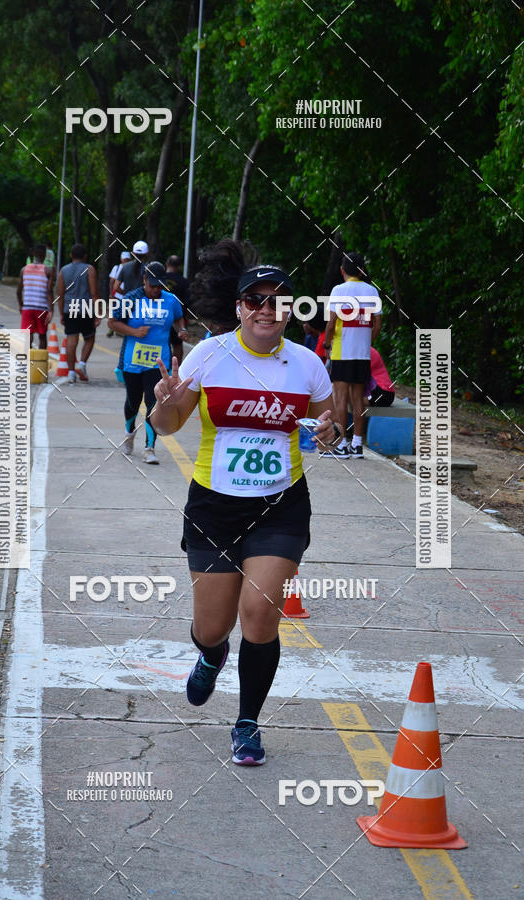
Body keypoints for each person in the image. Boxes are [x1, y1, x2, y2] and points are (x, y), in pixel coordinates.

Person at [150, 253, 337, 765]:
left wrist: (330, 430)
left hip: (280, 506)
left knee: (259, 614)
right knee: (212, 628)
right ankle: (212, 657)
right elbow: (167, 425)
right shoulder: (209, 355)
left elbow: (330, 426)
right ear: (239, 307)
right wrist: (164, 400)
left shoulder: (307, 364)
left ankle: (248, 724)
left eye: (278, 302)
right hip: (214, 507)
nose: (266, 310)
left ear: (291, 310)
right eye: (256, 300)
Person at [107, 261, 187, 465]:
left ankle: (149, 448)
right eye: (152, 285)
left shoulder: (171, 300)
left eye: (159, 285)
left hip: (159, 362)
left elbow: (179, 318)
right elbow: (112, 322)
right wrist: (134, 332)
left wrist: (181, 330)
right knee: (133, 401)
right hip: (132, 361)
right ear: (144, 280)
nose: (156, 289)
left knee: (153, 403)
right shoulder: (131, 298)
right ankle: (129, 433)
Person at [322, 251, 381, 459]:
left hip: (342, 351)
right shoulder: (372, 291)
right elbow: (377, 324)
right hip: (362, 354)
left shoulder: (339, 290)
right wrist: (366, 342)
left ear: (342, 270)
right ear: (362, 270)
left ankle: (340, 445)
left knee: (340, 398)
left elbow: (331, 324)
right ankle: (356, 444)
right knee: (358, 399)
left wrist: (327, 344)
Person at [56, 244, 98, 384]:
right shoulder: (89, 269)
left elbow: (60, 294)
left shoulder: (63, 271)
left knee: (71, 340)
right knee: (89, 338)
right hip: (85, 308)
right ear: (85, 256)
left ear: (71, 255)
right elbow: (94, 293)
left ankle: (71, 373)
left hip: (69, 308)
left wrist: (61, 313)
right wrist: (98, 313)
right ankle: (82, 364)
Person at [17, 244, 53, 349]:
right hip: (42, 308)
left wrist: (21, 305)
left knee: (28, 335)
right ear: (45, 255)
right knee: (42, 335)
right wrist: (51, 310)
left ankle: (27, 357)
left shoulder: (24, 270)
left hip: (27, 307)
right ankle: (41, 358)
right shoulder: (48, 271)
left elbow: (18, 291)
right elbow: (49, 292)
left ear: (33, 254)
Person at [163, 254, 190, 366]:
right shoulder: (184, 281)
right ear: (179, 266)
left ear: (167, 264)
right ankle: (176, 368)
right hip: (178, 317)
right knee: (177, 345)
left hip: (160, 315)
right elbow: (188, 301)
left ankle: (163, 366)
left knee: (162, 342)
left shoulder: (160, 279)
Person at [106, 250, 132, 338]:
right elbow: (111, 281)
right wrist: (111, 293)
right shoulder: (117, 268)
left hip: (127, 294)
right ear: (121, 259)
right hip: (117, 294)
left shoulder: (131, 267)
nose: (125, 261)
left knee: (123, 312)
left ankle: (118, 330)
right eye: (124, 259)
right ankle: (111, 328)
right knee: (115, 311)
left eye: (127, 259)